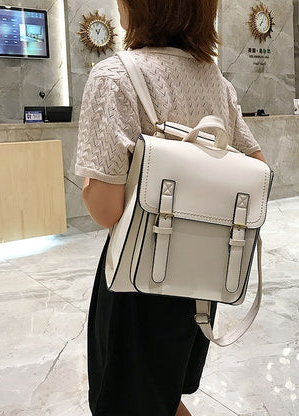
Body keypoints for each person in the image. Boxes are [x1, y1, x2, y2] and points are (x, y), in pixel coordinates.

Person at [75, 0, 266, 414]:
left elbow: (107, 210)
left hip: (139, 278)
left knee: (126, 402)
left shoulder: (115, 75)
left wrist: (92, 182)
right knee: (165, 393)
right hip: (203, 275)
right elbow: (257, 165)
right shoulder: (216, 81)